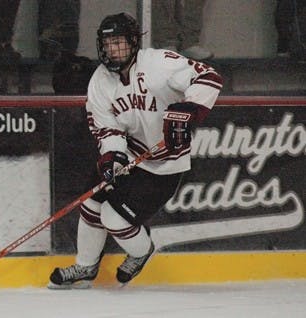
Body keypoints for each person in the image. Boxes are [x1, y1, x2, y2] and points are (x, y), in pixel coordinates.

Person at [48, 12, 223, 289]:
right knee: (91, 205)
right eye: (107, 44)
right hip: (131, 156)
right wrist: (112, 155)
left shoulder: (160, 63)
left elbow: (209, 77)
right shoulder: (100, 81)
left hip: (164, 166)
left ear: (133, 42)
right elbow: (106, 128)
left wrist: (189, 109)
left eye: (118, 42)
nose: (112, 50)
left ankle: (141, 251)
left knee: (114, 219)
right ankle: (85, 267)